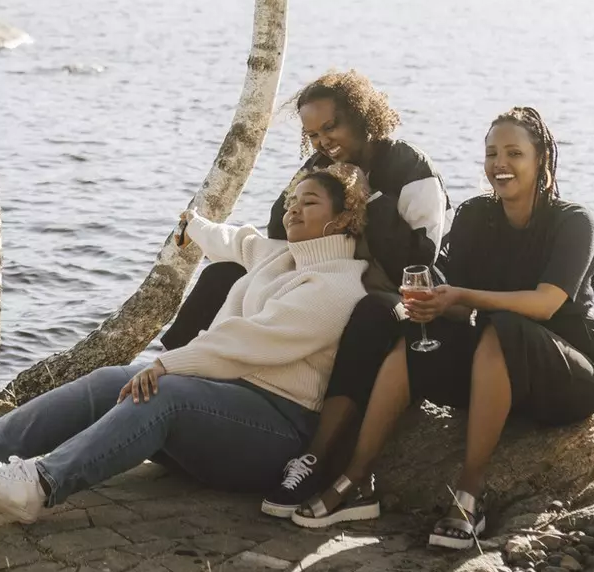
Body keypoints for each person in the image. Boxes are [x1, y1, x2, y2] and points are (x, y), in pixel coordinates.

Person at [0, 166, 372, 521]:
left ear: (344, 218)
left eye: (309, 202)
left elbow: (248, 340)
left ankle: (41, 485)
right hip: (226, 400)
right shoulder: (280, 254)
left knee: (162, 390)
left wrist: (172, 364)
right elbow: (234, 240)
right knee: (113, 379)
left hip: (275, 430)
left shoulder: (338, 287)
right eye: (291, 200)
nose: (293, 209)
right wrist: (194, 223)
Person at [292, 108, 594, 549]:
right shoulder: (476, 215)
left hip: (567, 375)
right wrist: (433, 308)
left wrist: (462, 297)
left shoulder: (573, 222)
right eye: (491, 153)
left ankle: (469, 496)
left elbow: (544, 304)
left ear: (542, 159)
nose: (500, 163)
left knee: (504, 328)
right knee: (412, 336)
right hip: (495, 366)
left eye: (514, 153)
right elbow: (455, 299)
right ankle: (356, 479)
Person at [161, 70, 451, 516]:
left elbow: (417, 264)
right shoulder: (319, 164)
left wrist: (366, 194)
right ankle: (175, 381)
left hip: (388, 292)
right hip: (327, 275)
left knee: (371, 312)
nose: (321, 141)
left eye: (329, 127)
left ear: (361, 117)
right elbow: (282, 234)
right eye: (311, 134)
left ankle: (316, 456)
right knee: (222, 275)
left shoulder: (413, 173)